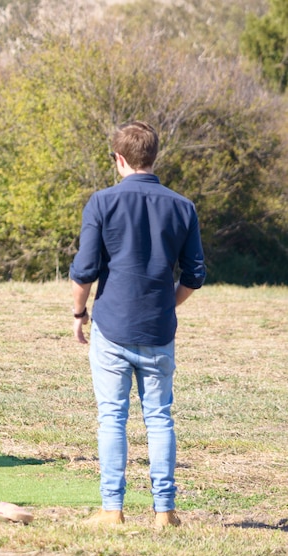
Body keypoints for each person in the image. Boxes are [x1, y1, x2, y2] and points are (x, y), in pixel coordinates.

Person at [69, 121, 206, 528]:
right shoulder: (183, 206)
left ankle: (113, 511)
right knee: (160, 417)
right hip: (159, 329)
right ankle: (165, 512)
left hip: (111, 325)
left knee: (112, 417)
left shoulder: (102, 202)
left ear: (120, 159)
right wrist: (170, 304)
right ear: (154, 157)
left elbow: (84, 271)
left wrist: (79, 315)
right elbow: (195, 274)